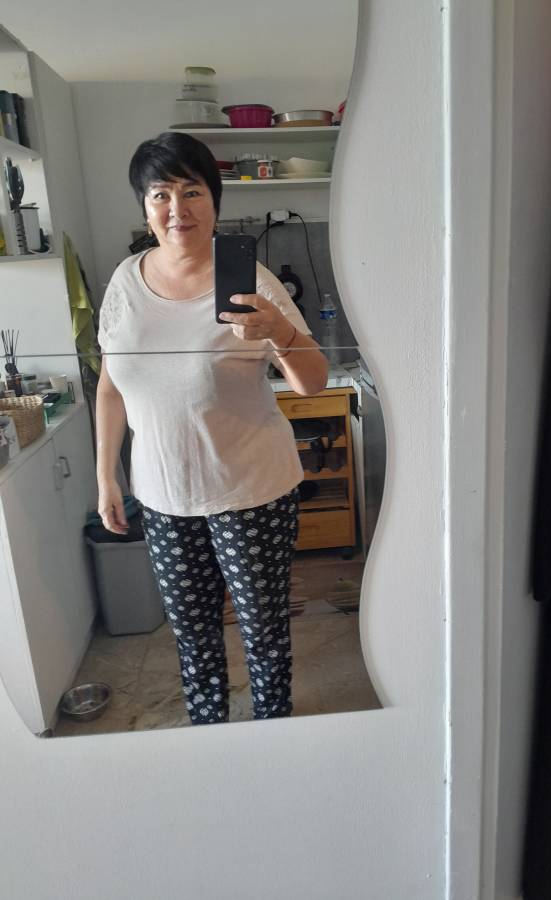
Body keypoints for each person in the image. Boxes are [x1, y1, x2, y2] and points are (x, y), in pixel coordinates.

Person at [95, 131, 328, 724]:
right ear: (145, 207)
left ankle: (271, 735)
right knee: (193, 638)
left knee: (263, 634)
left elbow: (312, 382)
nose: (177, 209)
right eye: (161, 194)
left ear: (215, 202)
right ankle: (210, 737)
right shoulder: (125, 281)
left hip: (250, 492)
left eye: (192, 191)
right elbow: (111, 386)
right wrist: (106, 478)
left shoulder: (251, 280)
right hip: (163, 496)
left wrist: (280, 331)